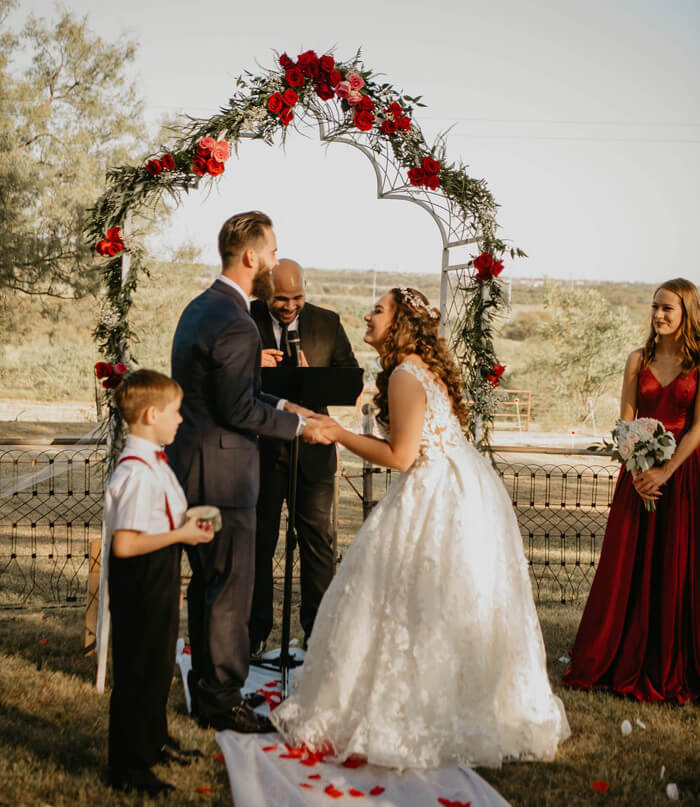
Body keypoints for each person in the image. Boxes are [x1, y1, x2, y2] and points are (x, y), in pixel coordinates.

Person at [270, 287, 570, 769]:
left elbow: (401, 457)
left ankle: (418, 708)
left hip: (436, 494)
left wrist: (339, 435)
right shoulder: (417, 369)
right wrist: (313, 417)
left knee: (414, 598)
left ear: (401, 324)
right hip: (461, 485)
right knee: (442, 603)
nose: (368, 316)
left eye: (379, 311)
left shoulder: (405, 376)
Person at [168, 211, 328, 733]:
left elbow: (232, 394)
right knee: (228, 592)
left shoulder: (201, 308)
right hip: (224, 476)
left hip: (194, 469)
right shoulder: (236, 321)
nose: (277, 261)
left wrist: (285, 402)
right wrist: (300, 429)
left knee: (208, 586)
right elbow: (238, 411)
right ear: (253, 257)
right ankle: (221, 699)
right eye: (274, 252)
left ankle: (209, 691)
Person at [563, 277, 700, 702]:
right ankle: (617, 655)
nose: (658, 315)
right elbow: (626, 420)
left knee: (675, 568)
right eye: (655, 307)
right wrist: (639, 467)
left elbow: (698, 429)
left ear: (687, 315)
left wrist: (665, 472)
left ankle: (667, 661)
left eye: (668, 309)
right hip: (636, 476)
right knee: (628, 567)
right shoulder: (637, 360)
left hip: (682, 477)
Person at [104, 369, 213, 796]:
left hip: (160, 571)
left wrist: (186, 522)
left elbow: (158, 517)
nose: (181, 420)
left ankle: (154, 741)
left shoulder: (155, 463)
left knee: (158, 666)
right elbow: (126, 546)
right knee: (138, 670)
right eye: (175, 412)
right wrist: (182, 535)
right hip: (139, 579)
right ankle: (128, 766)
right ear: (152, 414)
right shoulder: (137, 473)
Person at [249, 258, 359, 654]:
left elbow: (349, 380)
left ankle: (318, 634)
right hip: (260, 452)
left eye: (297, 297)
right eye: (281, 299)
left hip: (312, 452)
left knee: (318, 544)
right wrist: (251, 362)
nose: (290, 306)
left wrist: (318, 380)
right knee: (258, 543)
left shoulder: (327, 322)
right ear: (266, 293)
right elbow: (226, 378)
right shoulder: (247, 319)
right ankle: (254, 632)